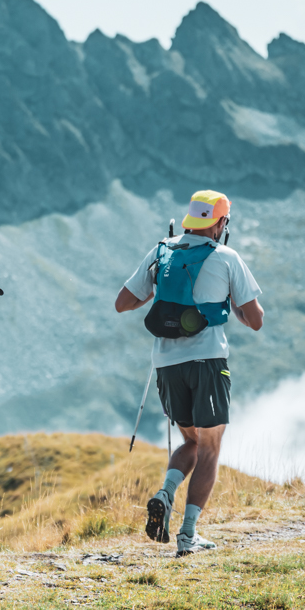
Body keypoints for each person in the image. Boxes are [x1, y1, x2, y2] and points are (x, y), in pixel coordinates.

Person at [114, 190, 264, 556]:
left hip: (166, 365)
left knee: (192, 442)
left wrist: (161, 292)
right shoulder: (226, 257)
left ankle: (165, 494)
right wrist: (226, 304)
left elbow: (123, 303)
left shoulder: (162, 250)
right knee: (210, 447)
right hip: (208, 362)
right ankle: (188, 534)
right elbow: (256, 320)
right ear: (220, 222)